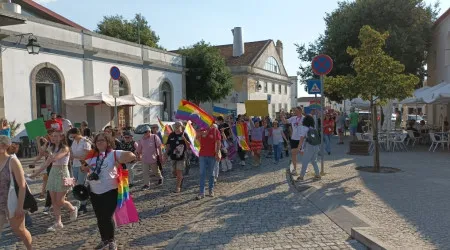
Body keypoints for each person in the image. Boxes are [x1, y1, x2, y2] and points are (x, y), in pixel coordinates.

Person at [80, 133, 136, 250]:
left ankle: (111, 241)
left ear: (108, 142)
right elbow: (83, 166)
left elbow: (132, 156)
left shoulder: (114, 153)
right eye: (97, 141)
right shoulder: (91, 155)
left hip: (110, 190)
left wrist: (121, 162)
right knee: (100, 217)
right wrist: (84, 168)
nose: (100, 142)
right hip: (94, 191)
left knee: (107, 216)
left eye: (102, 140)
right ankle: (104, 240)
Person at [29, 130, 78, 232]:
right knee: (54, 201)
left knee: (60, 201)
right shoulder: (51, 147)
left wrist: (49, 151)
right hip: (53, 173)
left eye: (56, 136)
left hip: (63, 174)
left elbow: (55, 158)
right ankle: (58, 222)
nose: (53, 138)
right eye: (52, 136)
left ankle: (73, 209)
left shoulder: (65, 148)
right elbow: (45, 161)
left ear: (61, 137)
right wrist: (34, 174)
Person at [0, 135, 33, 249]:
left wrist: (20, 207)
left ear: (4, 146)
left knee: (20, 230)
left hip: (11, 202)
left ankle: (30, 248)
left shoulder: (12, 161)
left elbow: (22, 185)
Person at [68, 128, 91, 213]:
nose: (71, 138)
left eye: (73, 136)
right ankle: (80, 201)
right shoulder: (74, 141)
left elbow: (88, 155)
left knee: (81, 184)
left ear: (77, 134)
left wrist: (75, 157)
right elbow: (72, 152)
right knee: (75, 184)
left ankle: (83, 205)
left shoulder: (85, 141)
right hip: (75, 165)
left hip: (83, 165)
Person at [196, 124, 221, 200]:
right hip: (202, 155)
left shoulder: (215, 130)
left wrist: (217, 153)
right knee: (201, 173)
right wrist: (199, 134)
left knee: (211, 173)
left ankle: (211, 190)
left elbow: (218, 142)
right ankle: (201, 193)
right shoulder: (201, 130)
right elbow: (195, 140)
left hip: (212, 155)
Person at [166, 122, 189, 193]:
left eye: (178, 126)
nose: (176, 127)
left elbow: (188, 146)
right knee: (174, 172)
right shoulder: (171, 135)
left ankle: (178, 187)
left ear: (181, 127)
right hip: (173, 157)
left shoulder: (184, 134)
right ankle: (180, 178)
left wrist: (184, 139)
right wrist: (165, 154)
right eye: (175, 125)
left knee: (179, 172)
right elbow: (168, 145)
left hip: (181, 157)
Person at [297, 115, 321, 181]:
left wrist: (299, 148)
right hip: (316, 146)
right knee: (314, 161)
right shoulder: (313, 128)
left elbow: (301, 139)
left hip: (309, 146)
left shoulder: (304, 128)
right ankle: (318, 175)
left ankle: (301, 177)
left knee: (305, 161)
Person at [281, 107, 304, 175]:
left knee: (303, 154)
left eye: (296, 111)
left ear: (300, 111)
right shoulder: (293, 118)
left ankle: (304, 167)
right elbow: (285, 121)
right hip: (294, 138)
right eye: (294, 111)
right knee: (293, 154)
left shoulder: (304, 118)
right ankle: (294, 169)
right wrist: (282, 116)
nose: (294, 112)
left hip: (301, 139)